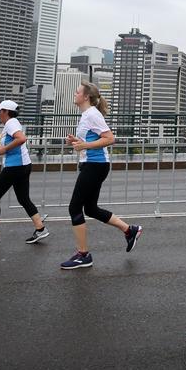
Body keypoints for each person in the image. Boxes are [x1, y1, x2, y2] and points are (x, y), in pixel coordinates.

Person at [59, 82, 143, 269]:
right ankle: (130, 230)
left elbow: (110, 138)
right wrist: (77, 141)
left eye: (78, 91)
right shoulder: (86, 115)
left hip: (95, 166)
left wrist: (84, 146)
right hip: (92, 164)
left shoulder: (93, 114)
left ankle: (83, 255)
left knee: (74, 208)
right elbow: (91, 139)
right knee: (90, 209)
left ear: (86, 96)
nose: (75, 93)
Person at [0, 100, 48, 246]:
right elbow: (4, 149)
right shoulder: (11, 124)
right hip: (23, 165)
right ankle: (40, 229)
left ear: (6, 112)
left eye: (0, 112)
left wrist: (3, 149)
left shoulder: (11, 123)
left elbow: (21, 139)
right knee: (23, 199)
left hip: (15, 167)